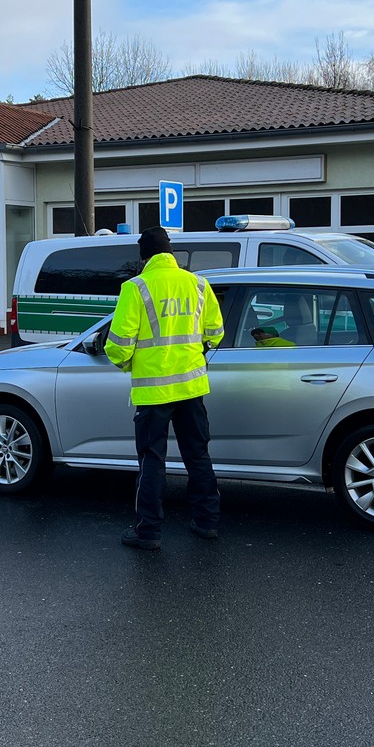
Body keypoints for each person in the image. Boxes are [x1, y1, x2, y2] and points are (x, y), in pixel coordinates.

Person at [105, 226, 225, 550]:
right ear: (171, 253)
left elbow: (117, 346)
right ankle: (206, 522)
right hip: (191, 388)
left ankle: (149, 532)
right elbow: (215, 332)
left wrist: (132, 364)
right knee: (198, 456)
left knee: (152, 461)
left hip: (153, 392)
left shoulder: (136, 287)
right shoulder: (198, 283)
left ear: (144, 256)